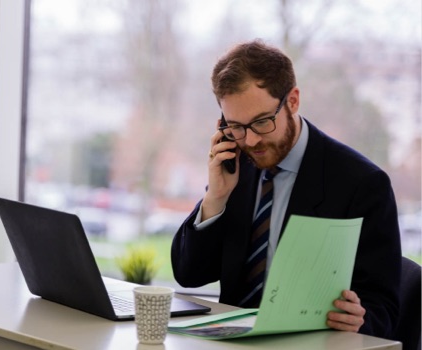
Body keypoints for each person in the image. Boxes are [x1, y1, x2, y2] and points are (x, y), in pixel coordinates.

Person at [171, 39, 401, 338]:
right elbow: (190, 275)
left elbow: (385, 309)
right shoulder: (236, 166)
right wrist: (216, 198)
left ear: (292, 101)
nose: (250, 141)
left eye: (262, 122)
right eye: (236, 126)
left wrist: (359, 320)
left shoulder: (362, 183)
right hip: (232, 343)